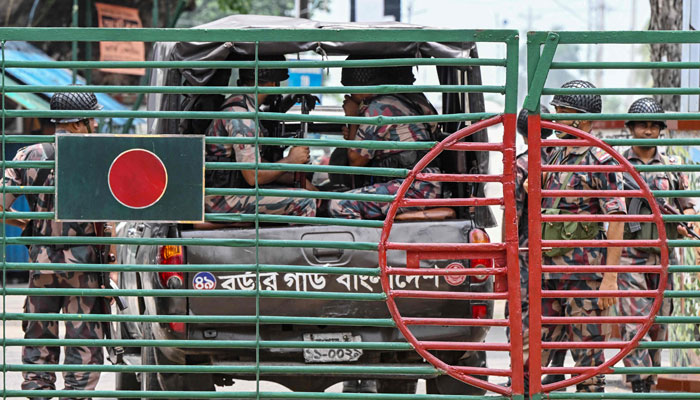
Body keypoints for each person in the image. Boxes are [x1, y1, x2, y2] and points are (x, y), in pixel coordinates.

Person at [1, 91, 114, 399]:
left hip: (41, 266)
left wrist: (29, 225)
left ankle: (38, 393)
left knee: (38, 340)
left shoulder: (29, 155)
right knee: (84, 343)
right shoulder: (99, 157)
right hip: (84, 268)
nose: (95, 124)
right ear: (78, 124)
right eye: (91, 119)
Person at [538, 79, 627, 393]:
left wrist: (610, 277)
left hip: (584, 277)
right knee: (544, 361)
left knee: (589, 364)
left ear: (581, 118)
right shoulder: (557, 154)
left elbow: (616, 218)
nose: (556, 118)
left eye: (563, 112)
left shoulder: (599, 160)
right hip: (550, 272)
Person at [617, 98, 696, 393]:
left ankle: (650, 377)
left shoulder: (672, 167)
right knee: (633, 321)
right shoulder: (618, 164)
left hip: (662, 256)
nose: (648, 131)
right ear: (631, 128)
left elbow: (687, 206)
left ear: (660, 130)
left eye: (653, 126)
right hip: (630, 253)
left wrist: (688, 222)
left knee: (658, 323)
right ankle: (639, 380)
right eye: (642, 125)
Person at [327, 59, 441, 220]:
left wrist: (352, 117)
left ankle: (370, 244)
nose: (350, 95)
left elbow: (356, 161)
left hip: (414, 188)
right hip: (424, 183)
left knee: (339, 204)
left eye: (351, 89)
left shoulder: (379, 107)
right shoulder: (413, 99)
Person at [204, 57, 317, 218]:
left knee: (300, 191)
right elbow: (253, 176)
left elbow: (253, 162)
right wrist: (291, 161)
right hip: (222, 201)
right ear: (271, 84)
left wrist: (295, 179)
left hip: (227, 194)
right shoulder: (243, 117)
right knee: (305, 201)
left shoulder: (242, 105)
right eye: (277, 83)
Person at [509, 106, 570, 388]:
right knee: (560, 308)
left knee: (525, 311)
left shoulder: (521, 164)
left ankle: (522, 376)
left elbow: (515, 216)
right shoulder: (563, 160)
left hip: (527, 251)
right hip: (563, 250)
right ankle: (555, 368)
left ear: (522, 133)